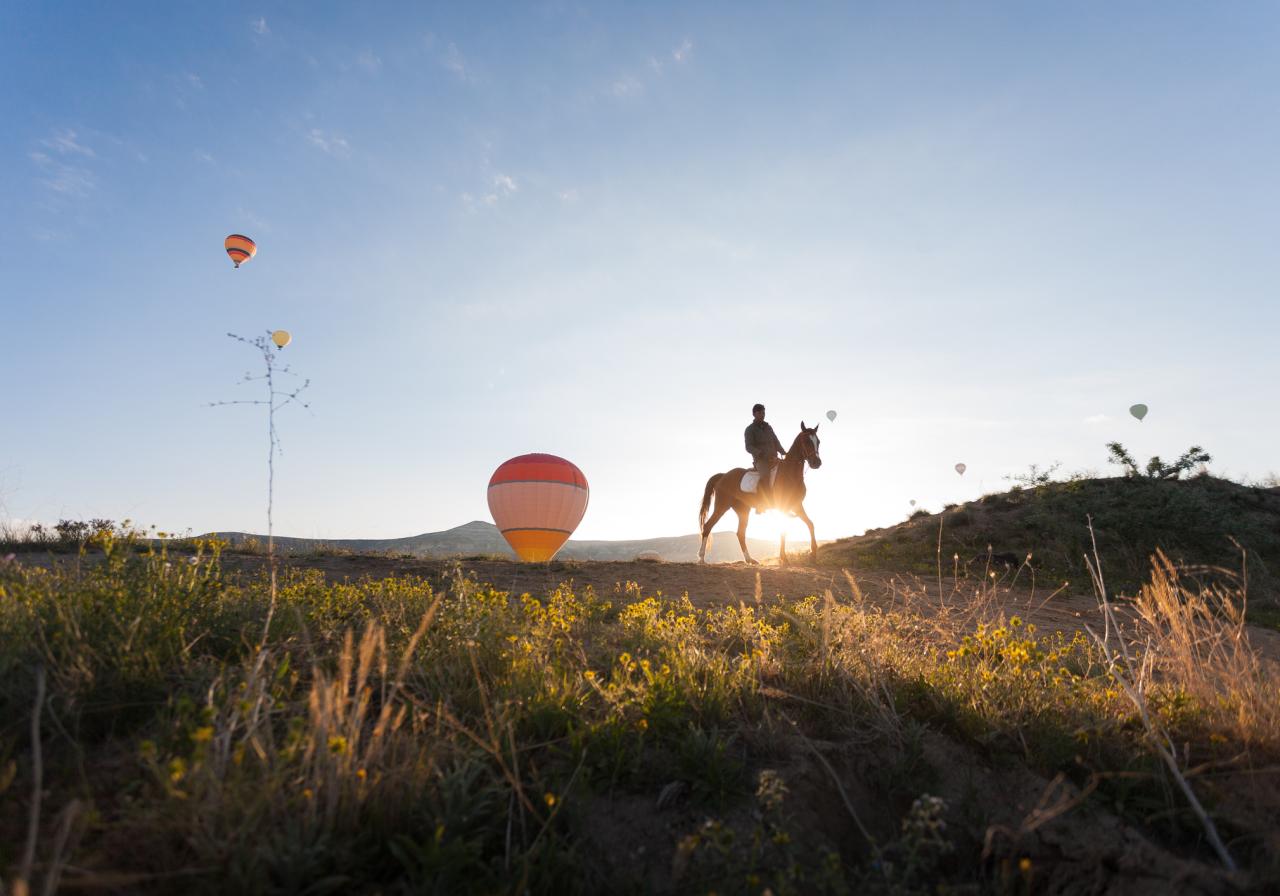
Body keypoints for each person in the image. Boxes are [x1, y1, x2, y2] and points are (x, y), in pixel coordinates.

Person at [744, 403, 786, 510]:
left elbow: (776, 441)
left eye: (763, 412)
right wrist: (760, 453)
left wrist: (784, 452)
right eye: (760, 412)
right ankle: (761, 503)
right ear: (754, 414)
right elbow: (748, 446)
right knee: (765, 476)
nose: (762, 414)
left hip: (774, 458)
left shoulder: (768, 427)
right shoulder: (750, 429)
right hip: (761, 460)